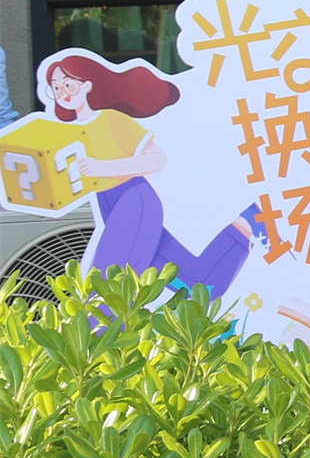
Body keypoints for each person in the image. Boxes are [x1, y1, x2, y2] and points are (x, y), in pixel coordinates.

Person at [43, 54, 265, 295]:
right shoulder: (65, 131)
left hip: (132, 200)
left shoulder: (109, 119)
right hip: (107, 201)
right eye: (56, 88)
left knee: (109, 284)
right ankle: (246, 222)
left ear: (87, 85)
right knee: (200, 285)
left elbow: (156, 158)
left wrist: (102, 168)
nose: (62, 93)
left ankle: (98, 327)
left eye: (68, 85)